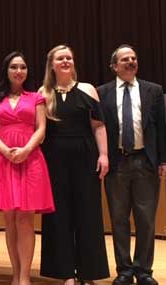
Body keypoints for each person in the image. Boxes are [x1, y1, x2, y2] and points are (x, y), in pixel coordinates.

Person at [0, 51, 54, 285]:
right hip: (3, 161)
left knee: (25, 220)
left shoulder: (36, 98)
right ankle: (15, 273)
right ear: (6, 70)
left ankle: (25, 277)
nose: (19, 71)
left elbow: (41, 129)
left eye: (23, 67)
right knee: (10, 220)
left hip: (30, 160)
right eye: (14, 67)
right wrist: (5, 151)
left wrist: (24, 151)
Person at [39, 45, 110, 285]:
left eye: (69, 57)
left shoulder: (87, 89)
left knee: (88, 215)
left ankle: (89, 273)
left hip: (85, 159)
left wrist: (104, 155)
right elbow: (39, 131)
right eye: (61, 58)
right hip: (54, 161)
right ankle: (66, 274)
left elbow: (98, 126)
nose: (66, 61)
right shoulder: (43, 93)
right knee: (59, 217)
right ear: (52, 64)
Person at [97, 44, 166, 285]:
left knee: (146, 220)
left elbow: (162, 127)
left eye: (134, 58)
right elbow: (98, 128)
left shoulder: (153, 91)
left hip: (145, 162)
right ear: (114, 66)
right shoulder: (101, 92)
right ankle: (124, 270)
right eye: (125, 59)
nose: (130, 62)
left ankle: (144, 271)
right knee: (118, 219)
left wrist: (163, 159)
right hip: (117, 162)